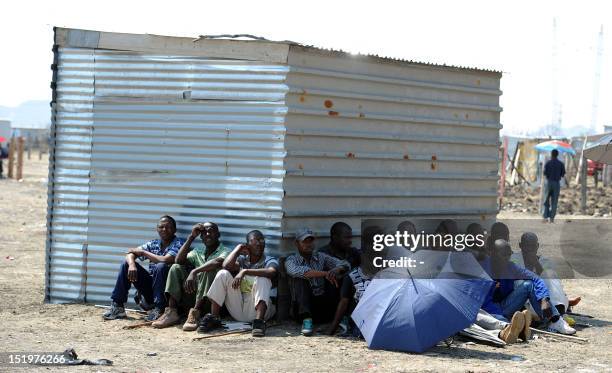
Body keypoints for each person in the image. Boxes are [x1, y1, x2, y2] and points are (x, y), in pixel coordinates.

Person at [480, 239, 575, 335]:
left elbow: (536, 278)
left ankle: (555, 321)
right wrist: (502, 318)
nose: (506, 258)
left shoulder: (510, 267)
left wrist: (544, 298)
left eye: (508, 254)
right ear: (492, 254)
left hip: (505, 306)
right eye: (503, 254)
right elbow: (482, 301)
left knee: (528, 285)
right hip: (487, 312)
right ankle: (513, 326)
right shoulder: (482, 270)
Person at [103, 215, 185, 321]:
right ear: (157, 229)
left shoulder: (180, 243)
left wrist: (142, 252)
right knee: (126, 264)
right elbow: (130, 253)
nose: (164, 230)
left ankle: (160, 309)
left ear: (174, 230)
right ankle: (118, 307)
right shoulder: (154, 243)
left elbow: (164, 260)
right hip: (152, 290)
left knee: (161, 266)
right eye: (161, 227)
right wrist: (132, 265)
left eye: (168, 227)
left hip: (168, 292)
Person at [199, 230, 279, 337]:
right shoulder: (242, 260)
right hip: (239, 309)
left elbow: (271, 272)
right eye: (254, 241)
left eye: (261, 240)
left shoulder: (269, 260)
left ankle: (259, 324)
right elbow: (226, 266)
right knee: (223, 274)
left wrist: (244, 271)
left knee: (262, 278)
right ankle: (214, 317)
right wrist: (237, 250)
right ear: (247, 245)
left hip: (262, 310)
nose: (259, 243)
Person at [152, 222, 230, 330]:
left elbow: (217, 262)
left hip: (210, 301)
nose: (207, 234)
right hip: (193, 297)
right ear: (201, 237)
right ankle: (172, 312)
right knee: (175, 267)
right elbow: (178, 260)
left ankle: (195, 314)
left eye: (211, 231)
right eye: (204, 232)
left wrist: (194, 271)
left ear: (218, 234)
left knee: (209, 270)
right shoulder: (198, 251)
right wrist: (191, 237)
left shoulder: (225, 251)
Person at [285, 227, 350, 336]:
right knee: (301, 280)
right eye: (305, 241)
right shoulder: (291, 260)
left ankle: (342, 319)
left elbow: (345, 264)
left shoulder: (320, 257)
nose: (309, 244)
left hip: (323, 306)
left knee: (340, 276)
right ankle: (307, 321)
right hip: (302, 309)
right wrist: (326, 273)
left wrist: (336, 270)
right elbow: (301, 272)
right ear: (297, 243)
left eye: (311, 241)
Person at [327, 225, 385, 336]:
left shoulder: (387, 273)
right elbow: (343, 303)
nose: (380, 250)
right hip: (361, 326)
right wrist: (331, 330)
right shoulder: (352, 275)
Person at [512, 232, 581, 317]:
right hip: (525, 301)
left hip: (546, 300)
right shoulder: (514, 259)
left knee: (550, 274)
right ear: (520, 245)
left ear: (537, 246)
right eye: (527, 246)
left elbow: (550, 283)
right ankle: (563, 304)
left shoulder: (545, 261)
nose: (530, 249)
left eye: (532, 246)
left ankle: (560, 307)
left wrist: (535, 262)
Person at [543, 149, 566, 223]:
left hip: (549, 182)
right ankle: (552, 218)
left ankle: (546, 216)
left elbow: (545, 173)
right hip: (556, 183)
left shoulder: (548, 163)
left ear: (551, 154)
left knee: (546, 200)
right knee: (554, 201)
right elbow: (563, 174)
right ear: (557, 155)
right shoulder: (561, 164)